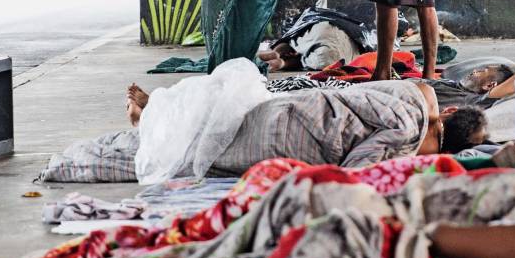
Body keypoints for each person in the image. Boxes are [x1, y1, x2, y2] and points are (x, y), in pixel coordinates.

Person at [127, 76, 486, 172]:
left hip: (294, 106)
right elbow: (355, 171)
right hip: (290, 137)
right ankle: (147, 121)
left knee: (219, 118)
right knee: (206, 153)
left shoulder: (412, 97)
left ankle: (156, 109)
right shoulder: (410, 134)